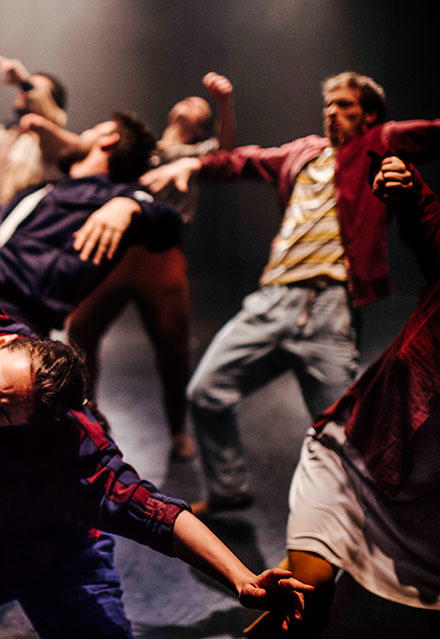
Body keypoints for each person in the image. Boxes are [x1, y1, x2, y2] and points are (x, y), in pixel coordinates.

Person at [0, 212, 313, 638]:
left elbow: (159, 513)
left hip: (56, 563)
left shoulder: (72, 453)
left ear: (23, 423)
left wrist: (242, 579)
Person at [141, 71, 440, 514]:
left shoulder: (381, 141)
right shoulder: (302, 153)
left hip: (330, 308)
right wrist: (193, 163)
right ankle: (228, 490)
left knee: (342, 435)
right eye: (329, 105)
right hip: (272, 300)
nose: (333, 113)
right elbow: (241, 160)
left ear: (369, 114)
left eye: (346, 106)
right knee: (205, 392)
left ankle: (360, 527)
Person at [0, 111, 181, 453]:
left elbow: (169, 226)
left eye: (91, 127)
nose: (79, 135)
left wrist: (132, 206)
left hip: (12, 315)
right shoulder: (49, 188)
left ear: (108, 140)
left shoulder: (118, 197)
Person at [247, 156, 440, 638]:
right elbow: (429, 229)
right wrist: (409, 187)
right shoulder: (308, 155)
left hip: (429, 509)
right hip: (358, 456)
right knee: (303, 600)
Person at [65, 72, 235, 461]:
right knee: (81, 328)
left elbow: (226, 152)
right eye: (190, 100)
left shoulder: (194, 155)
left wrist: (224, 104)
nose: (191, 103)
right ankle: (86, 412)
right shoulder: (144, 150)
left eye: (200, 107)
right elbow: (86, 149)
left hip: (161, 254)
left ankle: (177, 431)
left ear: (200, 126)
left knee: (172, 345)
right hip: (118, 251)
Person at [0, 54, 68, 205]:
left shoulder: (48, 143)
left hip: (23, 225)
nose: (25, 92)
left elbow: (55, 117)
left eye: (34, 89)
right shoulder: (10, 133)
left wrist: (24, 81)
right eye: (25, 88)